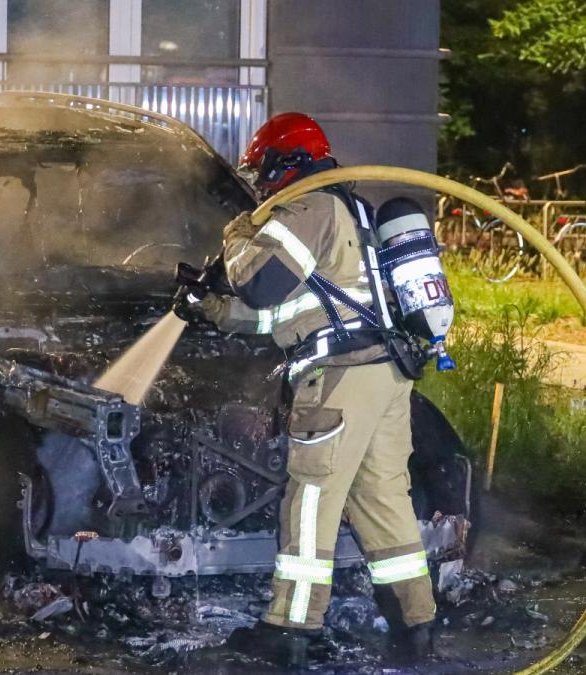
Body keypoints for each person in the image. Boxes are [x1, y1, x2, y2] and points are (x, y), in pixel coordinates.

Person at [176, 112, 437, 668]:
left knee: (311, 500)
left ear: (284, 161)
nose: (260, 184)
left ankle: (290, 631)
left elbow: (260, 282)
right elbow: (293, 311)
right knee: (383, 499)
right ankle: (416, 627)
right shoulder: (351, 208)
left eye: (262, 171)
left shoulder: (308, 206)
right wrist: (214, 310)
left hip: (341, 377)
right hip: (384, 375)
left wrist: (237, 232)